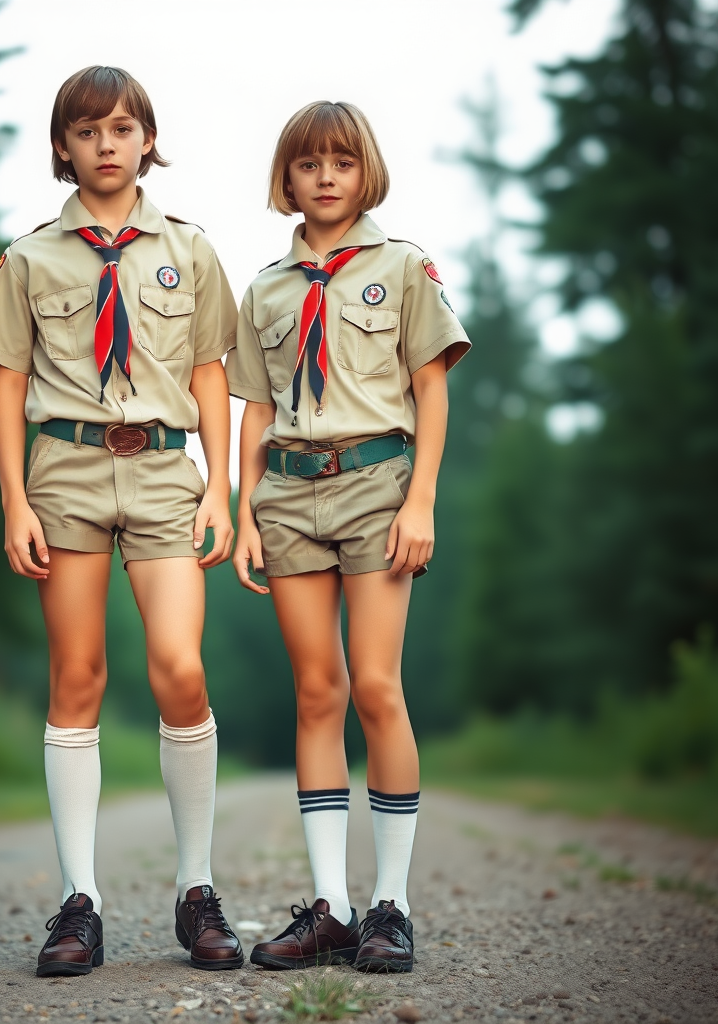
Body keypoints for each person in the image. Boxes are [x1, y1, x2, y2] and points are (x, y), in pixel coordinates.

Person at [0, 66, 243, 976]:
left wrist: (219, 485)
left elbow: (210, 370)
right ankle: (78, 903)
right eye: (89, 131)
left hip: (164, 471)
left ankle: (196, 890)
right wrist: (15, 499)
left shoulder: (190, 250)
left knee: (179, 665)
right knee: (76, 676)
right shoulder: (29, 257)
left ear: (147, 140)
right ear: (63, 148)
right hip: (68, 474)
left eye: (124, 128)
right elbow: (7, 381)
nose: (108, 144)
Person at [227, 101, 470, 974]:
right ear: (286, 179)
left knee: (376, 684)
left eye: (340, 161)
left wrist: (422, 502)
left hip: (378, 488)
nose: (325, 176)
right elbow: (255, 407)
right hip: (290, 494)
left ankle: (391, 907)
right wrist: (244, 501)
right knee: (317, 691)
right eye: (308, 163)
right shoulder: (266, 288)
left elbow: (432, 390)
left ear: (364, 171)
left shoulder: (403, 268)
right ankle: (330, 907)